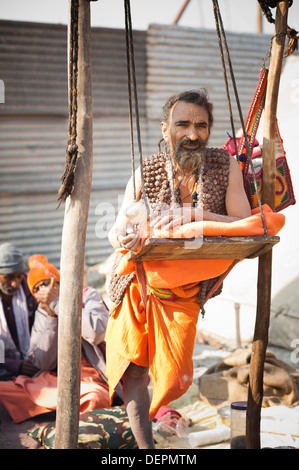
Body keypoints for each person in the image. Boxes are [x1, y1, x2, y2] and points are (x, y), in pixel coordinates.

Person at [105, 90, 252, 448]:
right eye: (183, 124)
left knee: (172, 375)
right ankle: (146, 450)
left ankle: (161, 420)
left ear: (209, 130)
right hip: (137, 283)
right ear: (165, 127)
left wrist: (196, 216)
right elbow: (116, 229)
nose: (192, 134)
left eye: (201, 126)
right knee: (135, 368)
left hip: (184, 291)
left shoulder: (224, 165)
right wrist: (123, 235)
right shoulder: (149, 169)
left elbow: (244, 223)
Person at [0, 256, 122, 423]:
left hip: (92, 380)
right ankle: (60, 407)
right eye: (37, 289)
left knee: (96, 397)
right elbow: (43, 363)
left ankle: (54, 409)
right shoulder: (42, 313)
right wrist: (51, 316)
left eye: (46, 284)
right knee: (4, 389)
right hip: (56, 381)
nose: (43, 291)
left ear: (58, 283)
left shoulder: (86, 295)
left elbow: (96, 333)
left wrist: (58, 304)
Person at [0, 243, 39, 380]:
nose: (15, 283)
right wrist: (15, 365)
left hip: (31, 362)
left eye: (18, 276)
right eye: (9, 277)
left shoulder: (31, 290)